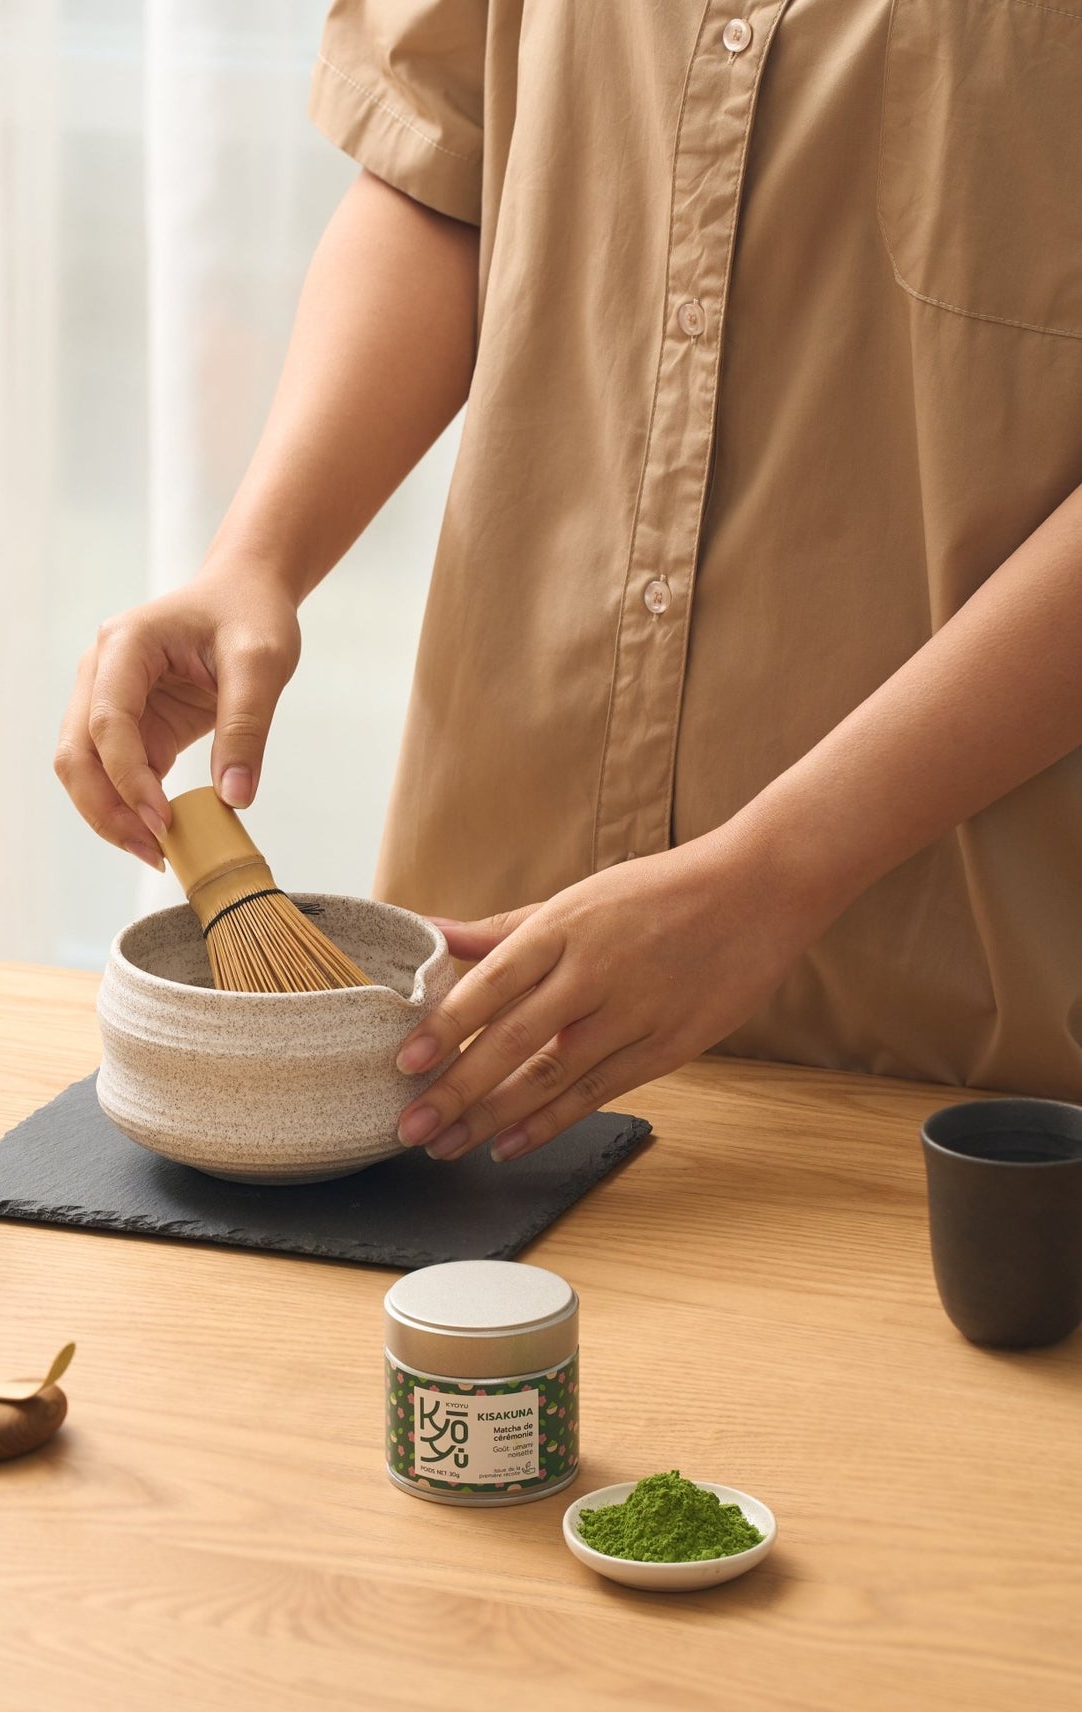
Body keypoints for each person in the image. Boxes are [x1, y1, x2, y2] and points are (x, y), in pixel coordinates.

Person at [55, 1, 1082, 1165]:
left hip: (959, 1066)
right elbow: (440, 170)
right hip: (480, 1030)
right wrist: (256, 559)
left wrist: (775, 875)